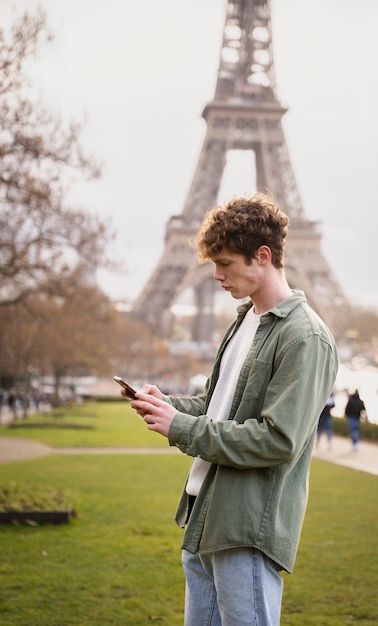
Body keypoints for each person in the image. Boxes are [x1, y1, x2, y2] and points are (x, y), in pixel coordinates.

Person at [122, 192, 338, 625]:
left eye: (225, 264)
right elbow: (218, 406)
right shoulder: (244, 322)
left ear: (262, 256)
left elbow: (278, 439)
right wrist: (168, 405)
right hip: (205, 517)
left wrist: (180, 427)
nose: (216, 275)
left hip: (245, 527)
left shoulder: (304, 337)